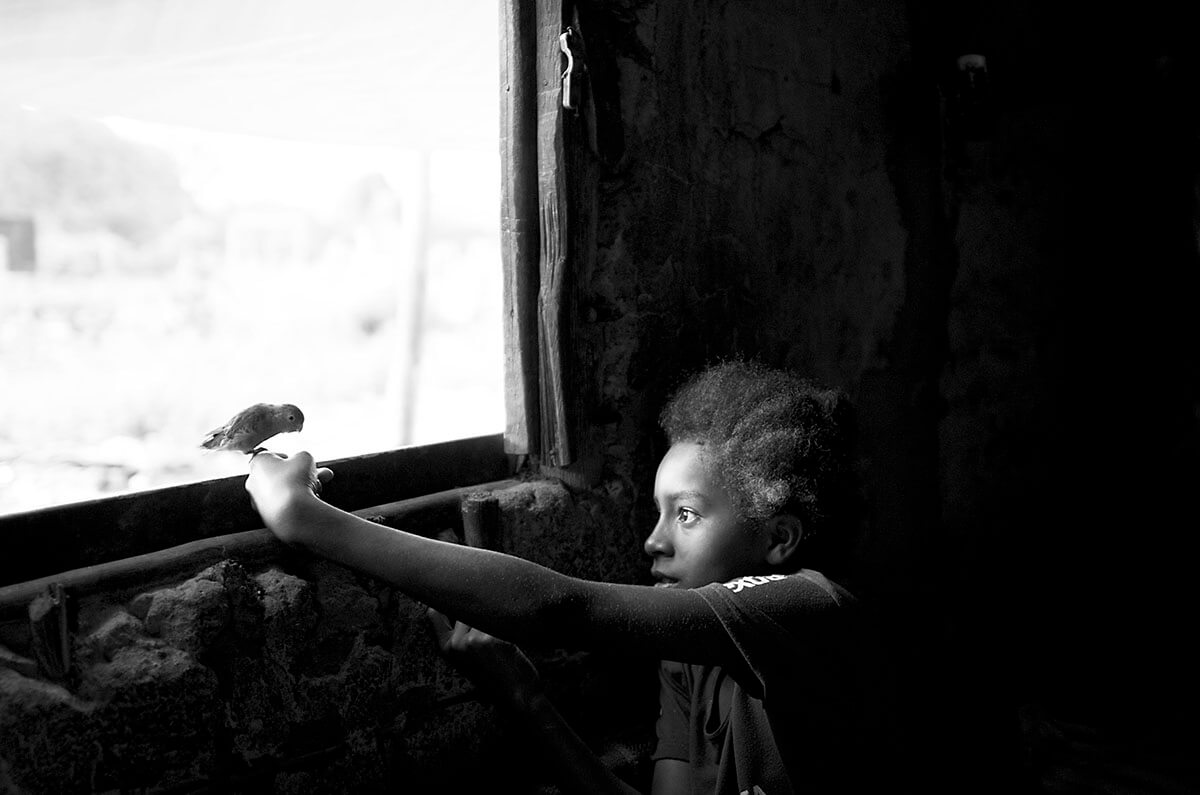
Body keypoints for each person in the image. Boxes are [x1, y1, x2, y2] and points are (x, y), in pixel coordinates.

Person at [246, 360, 873, 794]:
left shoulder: (810, 610)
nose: (654, 541)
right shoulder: (688, 662)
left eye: (686, 515)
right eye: (659, 513)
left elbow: (562, 610)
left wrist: (307, 519)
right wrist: (525, 698)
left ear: (778, 538)